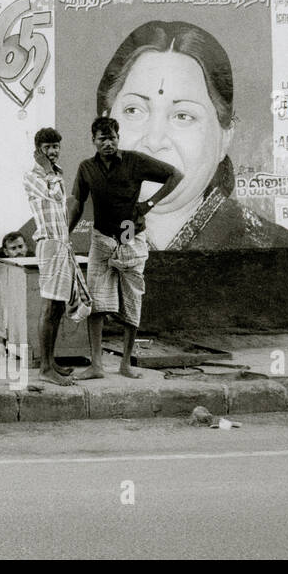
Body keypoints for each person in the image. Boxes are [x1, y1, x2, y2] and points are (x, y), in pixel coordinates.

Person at [97, 20, 288, 249]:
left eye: (183, 116)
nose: (154, 141)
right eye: (133, 110)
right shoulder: (61, 232)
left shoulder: (277, 252)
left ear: (225, 137)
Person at [68, 116, 182, 378]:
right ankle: (96, 366)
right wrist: (66, 234)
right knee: (94, 302)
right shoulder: (86, 168)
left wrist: (149, 204)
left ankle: (125, 364)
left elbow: (175, 175)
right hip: (102, 236)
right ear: (93, 141)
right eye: (102, 138)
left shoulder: (135, 161)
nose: (108, 143)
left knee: (132, 300)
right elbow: (77, 202)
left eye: (112, 138)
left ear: (118, 138)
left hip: (131, 234)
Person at [23, 127, 89, 386]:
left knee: (59, 305)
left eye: (56, 147)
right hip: (49, 245)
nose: (53, 152)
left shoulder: (57, 174)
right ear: (38, 150)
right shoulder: (32, 177)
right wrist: (48, 170)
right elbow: (50, 197)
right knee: (50, 306)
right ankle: (45, 368)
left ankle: (52, 362)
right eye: (48, 147)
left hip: (61, 244)